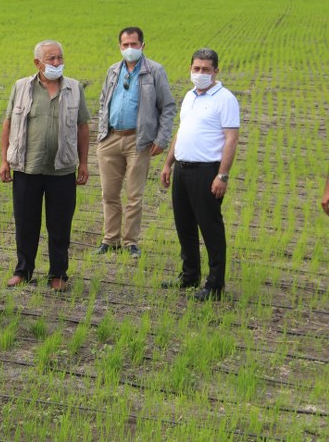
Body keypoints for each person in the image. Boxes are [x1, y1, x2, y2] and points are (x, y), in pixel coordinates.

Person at [0, 40, 90, 292]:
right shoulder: (21, 87)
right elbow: (8, 124)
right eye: (51, 59)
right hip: (27, 168)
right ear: (37, 63)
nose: (57, 63)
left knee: (60, 225)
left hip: (61, 170)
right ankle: (23, 270)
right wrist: (4, 160)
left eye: (60, 58)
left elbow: (83, 126)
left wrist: (83, 162)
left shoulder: (74, 88)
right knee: (26, 223)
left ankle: (58, 274)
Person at [161, 48, 239, 302]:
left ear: (216, 71)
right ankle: (189, 275)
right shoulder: (189, 96)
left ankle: (215, 284)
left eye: (206, 69)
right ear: (190, 69)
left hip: (206, 171)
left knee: (210, 228)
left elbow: (231, 138)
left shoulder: (225, 99)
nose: (201, 73)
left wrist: (222, 175)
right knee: (184, 226)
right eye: (197, 69)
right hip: (183, 168)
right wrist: (168, 163)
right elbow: (182, 131)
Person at [96, 26, 175, 259]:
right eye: (125, 45)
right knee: (109, 193)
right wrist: (102, 132)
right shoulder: (113, 71)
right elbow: (103, 102)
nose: (129, 49)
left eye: (134, 44)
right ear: (119, 46)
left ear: (143, 45)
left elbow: (168, 107)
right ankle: (110, 239)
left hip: (138, 141)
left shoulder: (154, 71)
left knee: (134, 195)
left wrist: (161, 138)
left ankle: (130, 241)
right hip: (110, 139)